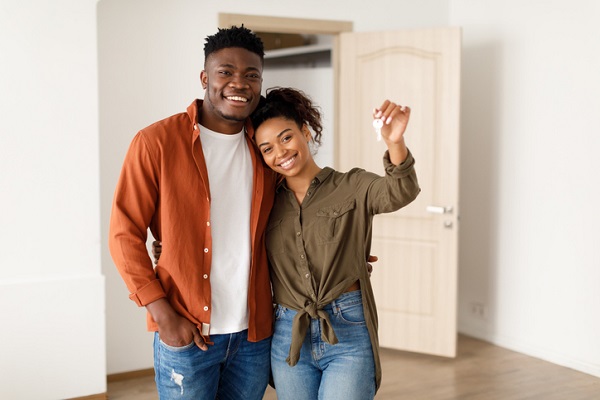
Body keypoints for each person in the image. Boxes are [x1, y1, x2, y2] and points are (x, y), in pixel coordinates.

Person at [108, 26, 277, 400]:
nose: (240, 83)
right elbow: (124, 235)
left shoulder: (266, 149)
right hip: (188, 332)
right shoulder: (157, 142)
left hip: (253, 335)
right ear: (205, 77)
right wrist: (164, 317)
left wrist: (342, 249)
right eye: (226, 72)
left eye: (252, 75)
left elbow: (292, 218)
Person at [250, 87, 421, 399]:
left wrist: (394, 142)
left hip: (347, 330)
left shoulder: (352, 185)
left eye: (286, 137)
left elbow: (401, 191)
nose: (280, 152)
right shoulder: (264, 203)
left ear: (305, 131)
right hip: (289, 334)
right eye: (267, 148)